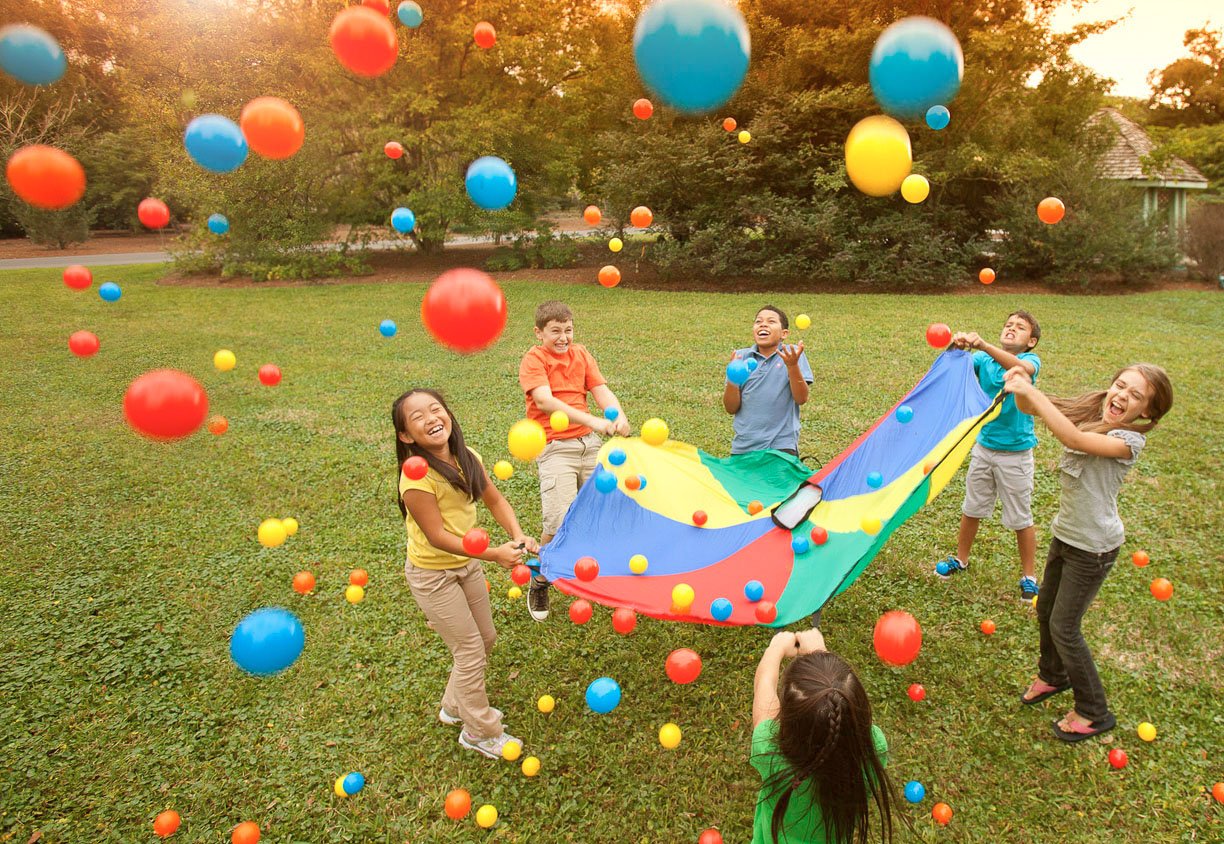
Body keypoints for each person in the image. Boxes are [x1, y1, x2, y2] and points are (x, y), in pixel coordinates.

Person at [1007, 364, 1173, 741]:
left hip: (1094, 548)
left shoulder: (1128, 442)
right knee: (1046, 610)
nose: (1121, 396)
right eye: (1120, 385)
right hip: (1065, 535)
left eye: (1135, 396)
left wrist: (1032, 393)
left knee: (1065, 628)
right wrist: (1022, 383)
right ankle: (1053, 675)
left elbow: (1076, 441)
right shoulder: (1093, 410)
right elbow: (1028, 407)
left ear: (1146, 412)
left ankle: (1094, 712)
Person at [392, 387, 539, 759]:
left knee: (485, 638)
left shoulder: (467, 457)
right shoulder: (416, 480)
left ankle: (454, 706)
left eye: (436, 409)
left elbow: (495, 499)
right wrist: (494, 555)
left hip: (466, 565)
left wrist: (518, 535)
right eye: (418, 417)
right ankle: (480, 731)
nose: (431, 419)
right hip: (432, 575)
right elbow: (437, 536)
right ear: (406, 436)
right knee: (470, 649)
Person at [519, 300, 629, 621]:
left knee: (600, 514)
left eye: (568, 330)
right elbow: (545, 400)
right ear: (539, 333)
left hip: (589, 446)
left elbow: (600, 389)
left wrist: (617, 414)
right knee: (557, 523)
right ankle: (540, 581)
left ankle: (594, 576)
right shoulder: (534, 359)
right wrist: (595, 421)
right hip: (555, 449)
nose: (563, 337)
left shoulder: (581, 354)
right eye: (555, 331)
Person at [932, 310, 1044, 602]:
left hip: (1016, 454)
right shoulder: (982, 360)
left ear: (1031, 342)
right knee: (972, 508)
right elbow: (955, 369)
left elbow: (1019, 369)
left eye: (1020, 328)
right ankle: (961, 559)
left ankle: (1029, 576)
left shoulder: (1030, 361)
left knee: (1020, 516)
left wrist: (982, 344)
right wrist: (955, 347)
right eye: (1008, 325)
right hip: (984, 447)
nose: (1011, 329)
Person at [752, 629, 896, 844]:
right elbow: (837, 705)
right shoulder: (872, 749)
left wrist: (775, 649)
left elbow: (763, 694)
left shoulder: (771, 752)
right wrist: (820, 655)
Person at [724, 305, 812, 456]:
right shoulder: (741, 357)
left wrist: (792, 366)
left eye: (771, 321)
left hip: (781, 447)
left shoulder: (791, 354)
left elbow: (801, 398)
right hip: (743, 447)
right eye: (759, 321)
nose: (763, 324)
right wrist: (733, 378)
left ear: (784, 334)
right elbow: (731, 408)